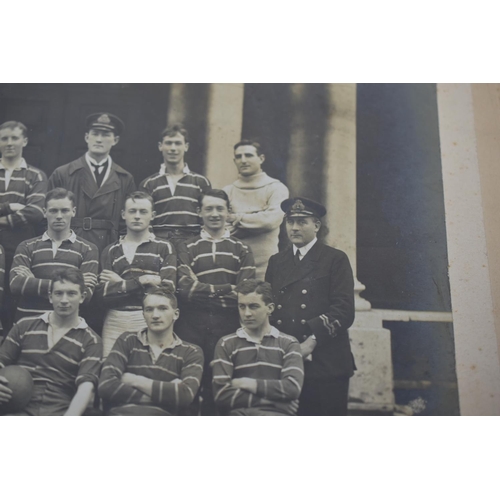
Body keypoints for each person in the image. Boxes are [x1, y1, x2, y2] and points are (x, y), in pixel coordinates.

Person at [265, 197, 355, 416]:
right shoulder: (276, 262)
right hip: (286, 360)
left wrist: (310, 343)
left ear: (316, 225)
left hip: (325, 361)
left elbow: (343, 310)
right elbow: (268, 307)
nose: (294, 227)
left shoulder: (335, 259)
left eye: (302, 222)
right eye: (290, 221)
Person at [176, 188, 256, 414]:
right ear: (198, 212)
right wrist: (226, 289)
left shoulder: (241, 248)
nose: (214, 214)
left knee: (219, 390)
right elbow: (184, 291)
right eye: (208, 208)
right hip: (191, 326)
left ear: (228, 212)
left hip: (227, 328)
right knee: (189, 388)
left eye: (220, 208)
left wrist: (202, 291)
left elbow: (244, 295)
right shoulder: (186, 246)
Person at [0, 268, 102, 416]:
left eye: (71, 293)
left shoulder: (91, 341)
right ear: (50, 297)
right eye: (58, 293)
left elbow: (86, 387)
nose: (64, 300)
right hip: (15, 409)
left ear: (82, 297)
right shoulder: (24, 326)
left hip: (59, 412)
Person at [95, 191, 177, 357]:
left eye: (143, 212)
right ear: (123, 215)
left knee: (146, 367)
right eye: (132, 211)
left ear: (152, 215)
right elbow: (102, 295)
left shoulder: (164, 247)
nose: (137, 216)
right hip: (114, 320)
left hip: (148, 318)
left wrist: (120, 283)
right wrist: (143, 281)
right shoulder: (111, 250)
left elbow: (168, 290)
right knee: (110, 369)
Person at [98, 288, 203, 416]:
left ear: (176, 314)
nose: (155, 315)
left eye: (162, 308)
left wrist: (134, 380)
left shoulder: (191, 351)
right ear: (143, 314)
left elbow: (185, 395)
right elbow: (106, 385)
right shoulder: (127, 340)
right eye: (149, 309)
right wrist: (166, 395)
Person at [212, 279, 304, 416]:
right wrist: (272, 402)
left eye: (253, 306)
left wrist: (247, 383)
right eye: (241, 307)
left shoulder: (289, 343)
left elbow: (292, 388)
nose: (246, 313)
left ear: (270, 308)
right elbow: (221, 395)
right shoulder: (226, 343)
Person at [48, 112, 136, 255]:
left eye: (106, 134)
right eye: (95, 134)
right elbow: (46, 216)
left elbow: (128, 221)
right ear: (86, 137)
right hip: (69, 245)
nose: (99, 139)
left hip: (109, 247)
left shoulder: (125, 178)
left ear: (116, 140)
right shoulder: (63, 173)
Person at [9, 188, 99, 321]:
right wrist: (71, 286)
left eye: (64, 210)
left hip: (66, 325)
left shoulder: (88, 249)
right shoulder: (26, 246)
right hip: (28, 323)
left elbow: (86, 295)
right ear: (45, 212)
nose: (59, 216)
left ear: (73, 212)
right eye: (53, 210)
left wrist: (33, 282)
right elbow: (16, 285)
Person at [0, 121, 48, 332]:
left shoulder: (35, 175)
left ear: (25, 141)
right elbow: (25, 212)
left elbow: (36, 212)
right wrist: (9, 206)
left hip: (18, 245)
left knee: (13, 293)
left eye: (14, 138)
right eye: (4, 138)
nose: (9, 143)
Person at [223, 140, 289, 280]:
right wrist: (256, 221)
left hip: (265, 265)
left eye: (248, 155)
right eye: (239, 157)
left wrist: (236, 218)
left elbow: (270, 221)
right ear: (234, 160)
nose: (244, 160)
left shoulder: (276, 188)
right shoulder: (227, 192)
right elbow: (221, 230)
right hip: (232, 264)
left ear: (261, 158)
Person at [139, 125, 211, 245]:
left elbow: (206, 218)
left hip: (192, 242)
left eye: (178, 143)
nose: (173, 148)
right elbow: (145, 220)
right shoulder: (149, 183)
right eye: (168, 143)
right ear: (160, 146)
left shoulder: (201, 182)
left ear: (186, 147)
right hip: (160, 242)